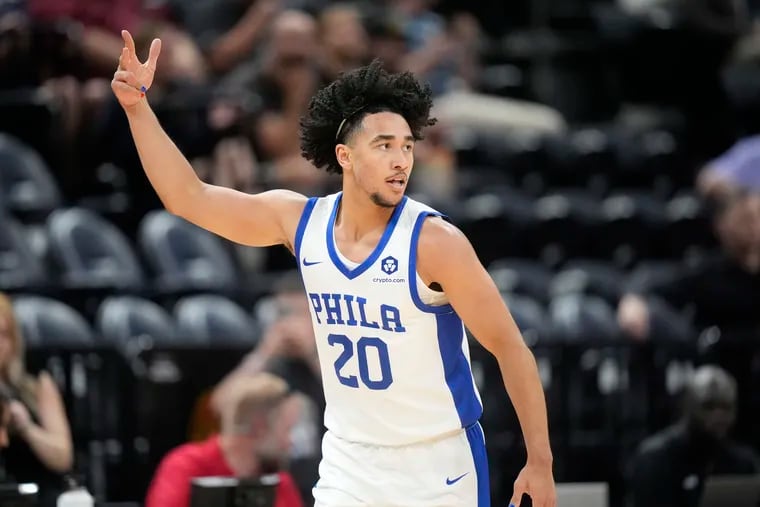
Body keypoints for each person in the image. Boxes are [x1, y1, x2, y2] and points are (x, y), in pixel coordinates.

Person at [112, 31, 556, 507]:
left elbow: (511, 348)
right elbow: (188, 197)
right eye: (384, 145)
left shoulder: (435, 243)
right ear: (345, 156)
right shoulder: (300, 221)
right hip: (350, 462)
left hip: (436, 462)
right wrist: (138, 108)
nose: (400, 159)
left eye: (406, 146)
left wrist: (540, 463)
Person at [145, 373, 304, 507]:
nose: (289, 442)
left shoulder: (280, 482)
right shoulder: (186, 466)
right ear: (260, 427)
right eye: (286, 430)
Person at [627, 365, 760, 507]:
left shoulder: (743, 463)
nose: (719, 416)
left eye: (726, 407)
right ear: (689, 407)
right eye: (709, 406)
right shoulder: (654, 460)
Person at [0, 293, 73, 507]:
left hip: (41, 495)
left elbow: (63, 458)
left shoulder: (35, 381)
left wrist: (26, 428)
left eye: (4, 334)